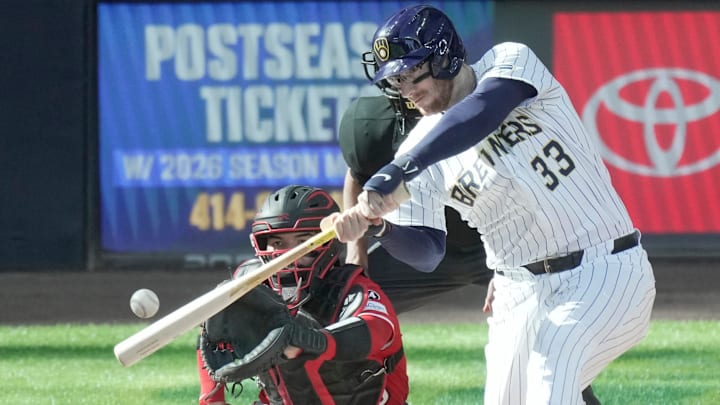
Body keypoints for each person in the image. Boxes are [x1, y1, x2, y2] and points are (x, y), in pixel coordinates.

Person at [328, 5, 656, 405]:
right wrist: (380, 226)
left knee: (549, 378)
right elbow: (428, 252)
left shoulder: (509, 63)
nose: (406, 89)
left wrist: (401, 168)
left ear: (444, 55)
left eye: (413, 74)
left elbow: (477, 115)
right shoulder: (418, 148)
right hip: (519, 293)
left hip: (605, 270)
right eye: (396, 80)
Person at [197, 185, 408, 405]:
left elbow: (376, 328)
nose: (290, 256)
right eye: (277, 243)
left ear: (329, 242)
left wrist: (303, 341)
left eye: (303, 242)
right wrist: (212, 399)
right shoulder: (249, 286)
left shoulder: (355, 289)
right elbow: (214, 335)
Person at [339, 82, 491, 314]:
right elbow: (357, 174)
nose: (412, 84)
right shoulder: (372, 126)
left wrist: (511, 268)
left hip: (494, 242)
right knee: (340, 304)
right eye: (402, 76)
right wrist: (355, 254)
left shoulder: (491, 107)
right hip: (414, 244)